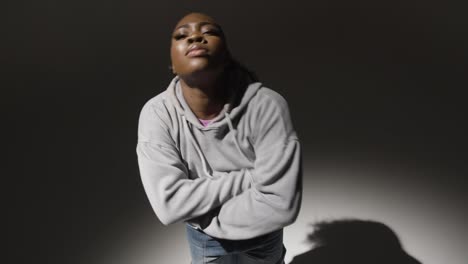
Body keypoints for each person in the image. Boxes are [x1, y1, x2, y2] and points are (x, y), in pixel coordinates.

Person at [136, 12, 302, 264]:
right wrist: (251, 178)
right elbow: (169, 205)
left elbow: (282, 203)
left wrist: (199, 205)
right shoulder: (157, 114)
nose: (195, 37)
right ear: (171, 62)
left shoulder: (267, 105)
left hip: (263, 236)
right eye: (182, 35)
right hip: (205, 238)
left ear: (226, 55)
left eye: (209, 32)